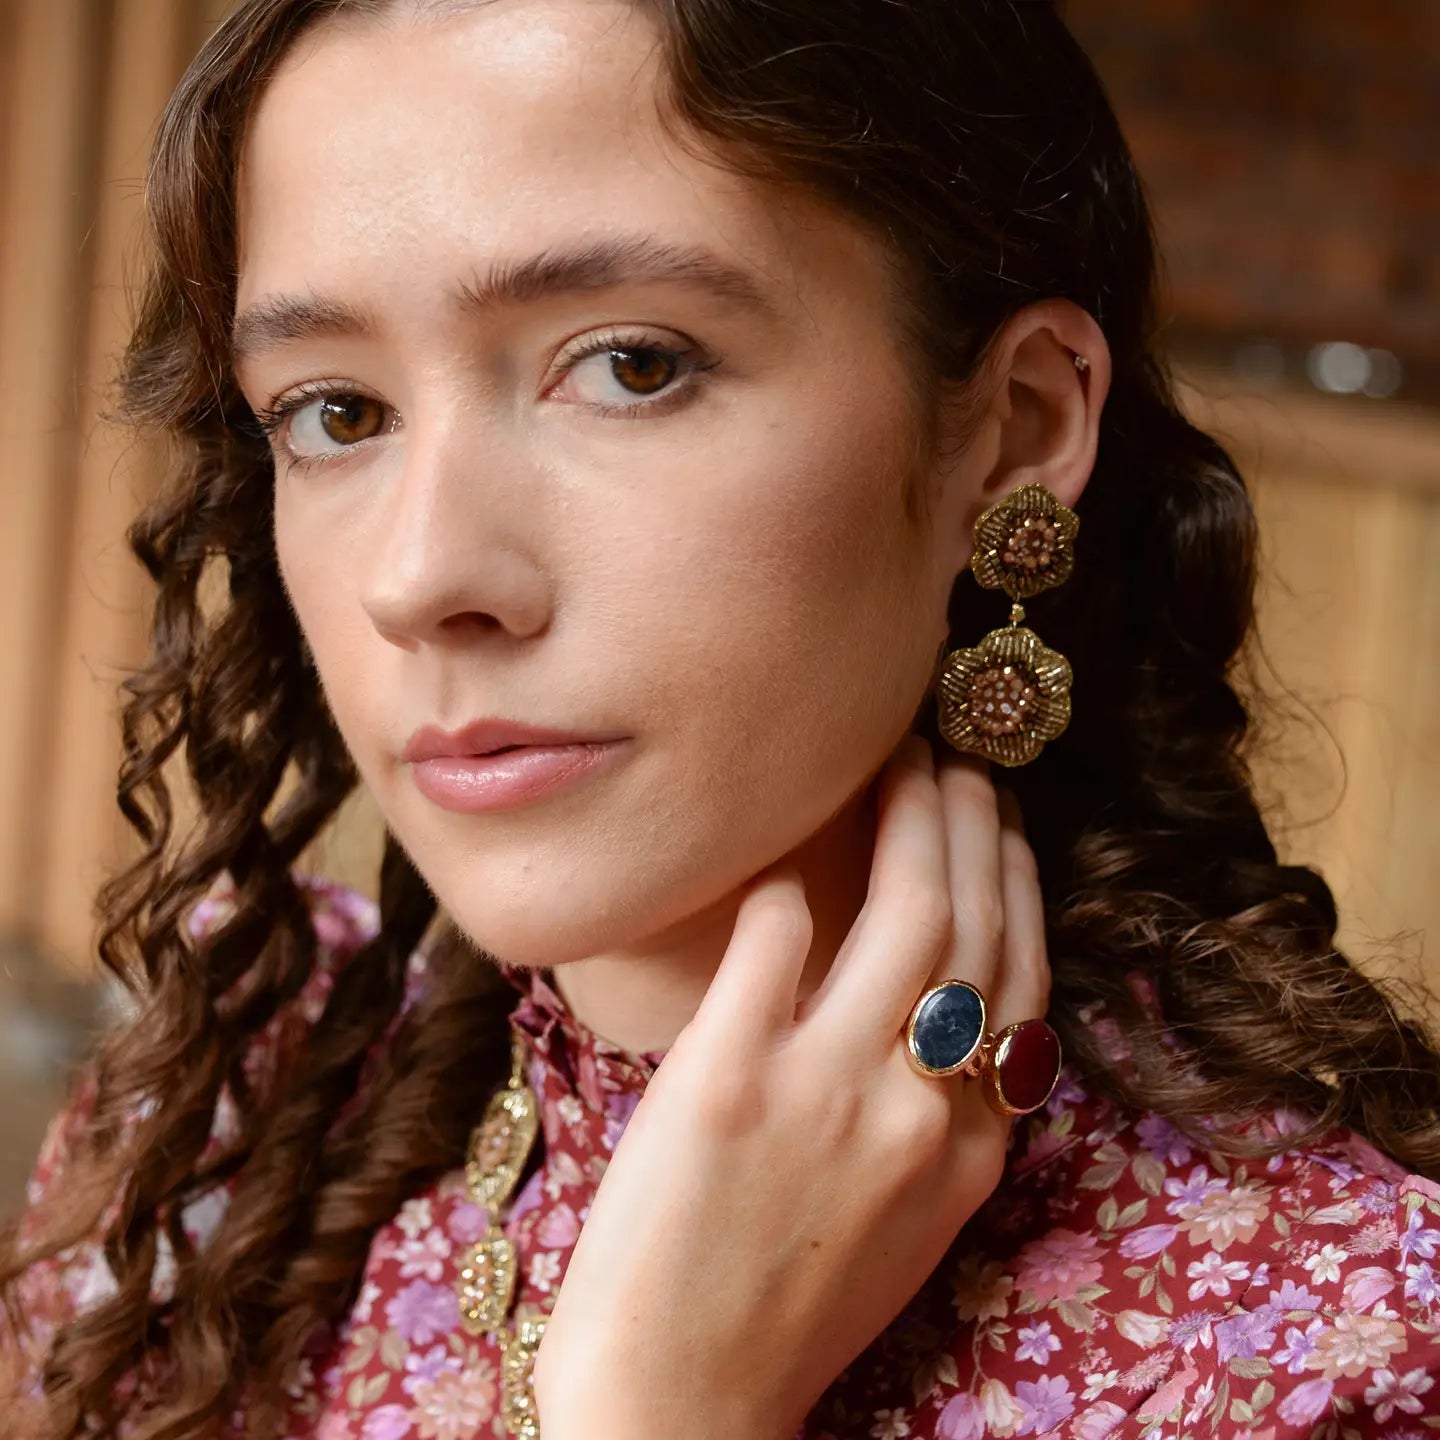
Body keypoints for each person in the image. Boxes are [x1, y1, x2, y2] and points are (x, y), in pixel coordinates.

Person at [3, 0, 1439, 1436]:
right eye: (332, 411)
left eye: (632, 365)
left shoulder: (1318, 1352)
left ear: (1011, 431)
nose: (422, 574)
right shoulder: (238, 1119)